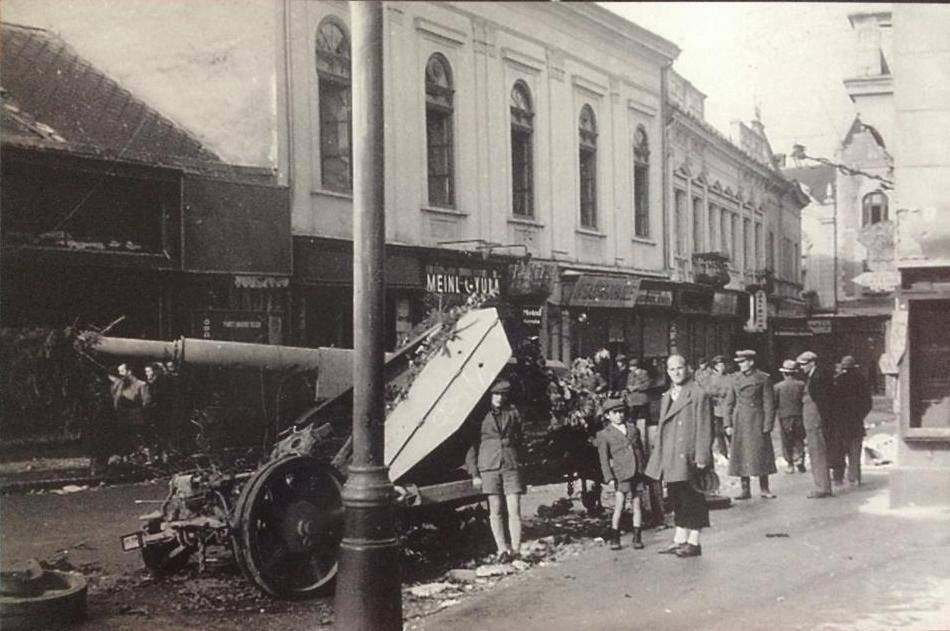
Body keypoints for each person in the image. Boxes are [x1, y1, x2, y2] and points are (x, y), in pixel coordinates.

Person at [645, 355, 714, 558]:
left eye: (680, 368)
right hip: (670, 454)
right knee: (676, 496)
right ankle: (679, 539)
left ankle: (694, 541)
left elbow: (705, 427)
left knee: (692, 497)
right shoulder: (668, 395)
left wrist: (702, 455)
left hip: (689, 455)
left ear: (688, 368)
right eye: (672, 369)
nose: (676, 372)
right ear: (667, 372)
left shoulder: (698, 394)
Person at [466, 378, 525, 563]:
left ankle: (516, 549)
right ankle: (502, 550)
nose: (499, 398)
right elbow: (471, 446)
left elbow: (521, 438)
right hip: (489, 466)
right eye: (496, 394)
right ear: (490, 395)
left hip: (510, 465)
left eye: (502, 394)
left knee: (514, 509)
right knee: (496, 510)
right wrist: (474, 473)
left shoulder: (513, 413)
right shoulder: (479, 415)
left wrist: (518, 460)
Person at [723, 350, 777, 499]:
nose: (740, 365)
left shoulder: (763, 378)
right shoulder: (735, 379)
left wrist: (768, 424)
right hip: (740, 420)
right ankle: (745, 489)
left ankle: (764, 488)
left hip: (756, 420)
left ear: (751, 362)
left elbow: (769, 403)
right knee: (741, 453)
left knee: (760, 452)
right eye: (739, 363)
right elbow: (728, 403)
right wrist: (727, 424)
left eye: (743, 362)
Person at [595, 398, 646, 550]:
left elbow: (641, 451)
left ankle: (637, 537)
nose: (619, 415)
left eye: (621, 412)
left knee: (637, 504)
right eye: (614, 413)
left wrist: (644, 469)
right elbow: (603, 459)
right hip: (621, 473)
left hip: (637, 471)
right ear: (607, 416)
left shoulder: (633, 429)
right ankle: (615, 537)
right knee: (619, 505)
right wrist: (609, 477)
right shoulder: (604, 434)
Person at [797, 351, 835, 498]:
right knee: (816, 452)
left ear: (812, 362)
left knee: (817, 452)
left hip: (816, 421)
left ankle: (822, 487)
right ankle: (822, 485)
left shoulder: (817, 378)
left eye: (803, 364)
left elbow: (823, 403)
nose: (801, 367)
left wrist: (823, 421)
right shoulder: (814, 376)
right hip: (813, 420)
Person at [831, 356, 872, 485]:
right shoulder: (862, 380)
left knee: (839, 451)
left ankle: (838, 477)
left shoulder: (838, 381)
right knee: (855, 452)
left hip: (840, 422)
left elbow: (832, 402)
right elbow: (868, 403)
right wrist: (860, 415)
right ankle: (854, 478)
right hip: (855, 422)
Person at [773, 359, 806, 474]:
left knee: (786, 440)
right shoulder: (801, 385)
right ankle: (800, 459)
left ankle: (790, 463)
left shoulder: (778, 387)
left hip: (784, 417)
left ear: (784, 373)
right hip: (799, 415)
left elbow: (774, 403)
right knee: (799, 438)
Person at [703, 355, 732, 459]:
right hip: (716, 409)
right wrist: (719, 393)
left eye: (723, 365)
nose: (722, 367)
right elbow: (707, 391)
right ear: (715, 366)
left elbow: (732, 390)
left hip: (728, 409)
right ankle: (723, 453)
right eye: (719, 365)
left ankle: (734, 451)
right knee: (718, 432)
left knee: (729, 432)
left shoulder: (729, 377)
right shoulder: (710, 378)